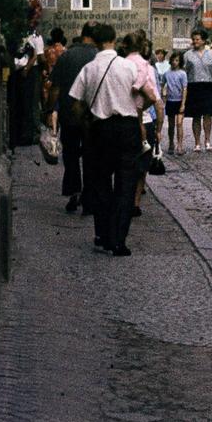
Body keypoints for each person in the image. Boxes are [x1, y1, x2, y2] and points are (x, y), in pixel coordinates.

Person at [69, 22, 158, 257]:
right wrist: (138, 110)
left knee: (101, 183)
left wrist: (86, 122)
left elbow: (76, 104)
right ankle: (119, 240)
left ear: (95, 42)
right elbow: (150, 95)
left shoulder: (89, 69)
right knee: (126, 184)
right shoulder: (128, 67)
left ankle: (103, 235)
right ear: (114, 39)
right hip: (127, 127)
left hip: (100, 129)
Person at [48, 24, 97, 213]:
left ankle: (74, 191)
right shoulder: (98, 57)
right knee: (91, 155)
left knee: (71, 154)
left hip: (69, 114)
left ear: (82, 34)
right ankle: (89, 195)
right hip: (93, 116)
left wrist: (50, 109)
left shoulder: (66, 56)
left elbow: (55, 87)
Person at [121, 31, 164, 219]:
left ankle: (125, 199)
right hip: (145, 121)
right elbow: (155, 99)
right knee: (141, 166)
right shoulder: (147, 68)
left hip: (125, 119)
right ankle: (135, 202)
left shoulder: (120, 65)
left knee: (126, 164)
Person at [183, 28, 212, 151]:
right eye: (193, 39)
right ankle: (197, 142)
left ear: (204, 40)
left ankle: (207, 140)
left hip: (208, 86)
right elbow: (184, 72)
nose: (195, 41)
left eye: (197, 39)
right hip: (194, 86)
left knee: (208, 115)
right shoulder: (187, 55)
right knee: (196, 116)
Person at [163, 50, 187, 152]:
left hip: (179, 101)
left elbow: (185, 89)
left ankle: (180, 145)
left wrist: (183, 103)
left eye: (177, 60)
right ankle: (171, 143)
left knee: (179, 123)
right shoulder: (167, 73)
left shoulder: (182, 74)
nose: (174, 62)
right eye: (173, 60)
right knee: (171, 124)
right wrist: (163, 94)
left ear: (180, 62)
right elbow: (162, 85)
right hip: (170, 101)